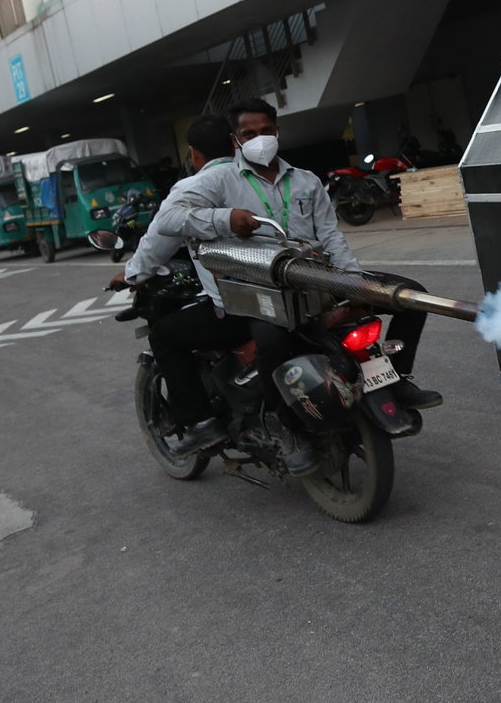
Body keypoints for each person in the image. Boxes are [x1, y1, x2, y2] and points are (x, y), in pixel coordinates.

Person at [155, 99, 443, 472]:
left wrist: (356, 286)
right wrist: (226, 218)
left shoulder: (306, 180)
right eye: (249, 134)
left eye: (266, 131)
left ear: (278, 132)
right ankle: (287, 429)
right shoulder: (216, 182)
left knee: (411, 295)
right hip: (263, 296)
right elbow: (169, 219)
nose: (260, 139)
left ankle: (397, 378)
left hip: (319, 284)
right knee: (272, 342)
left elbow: (331, 237)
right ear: (234, 140)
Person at [108, 115, 245, 457]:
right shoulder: (264, 178)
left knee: (165, 336)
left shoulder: (191, 188)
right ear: (234, 141)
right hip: (293, 288)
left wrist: (132, 274)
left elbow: (158, 240)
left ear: (193, 154)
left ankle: (201, 423)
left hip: (239, 305)